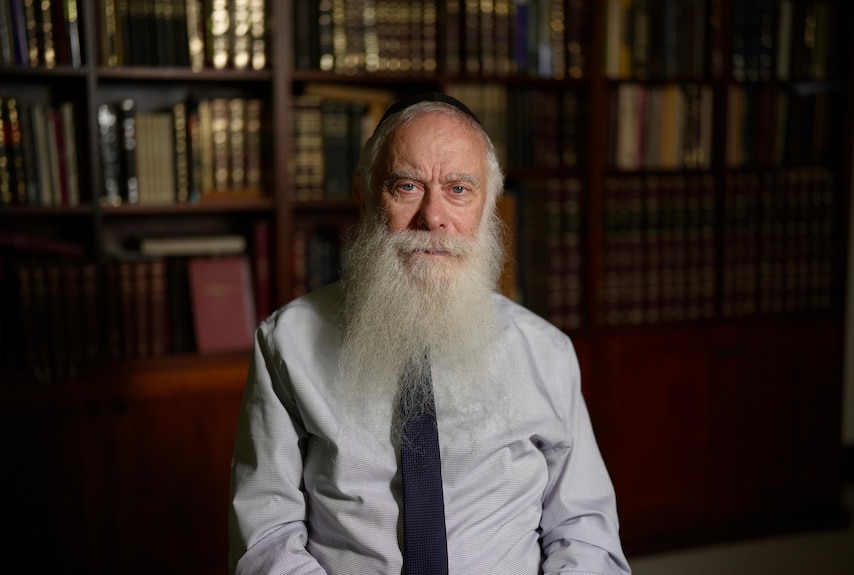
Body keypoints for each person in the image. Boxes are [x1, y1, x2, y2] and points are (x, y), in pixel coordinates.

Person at [228, 92, 631, 574]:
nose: (433, 217)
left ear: (489, 205)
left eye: (459, 189)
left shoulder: (545, 352)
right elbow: (267, 533)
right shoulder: (286, 343)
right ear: (364, 195)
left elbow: (584, 530)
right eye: (407, 186)